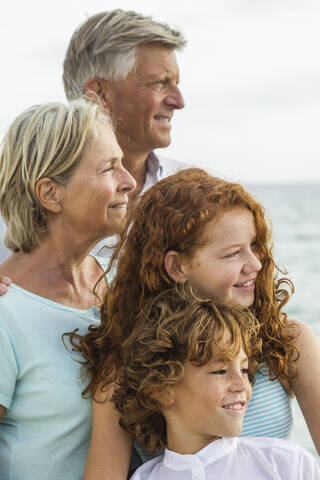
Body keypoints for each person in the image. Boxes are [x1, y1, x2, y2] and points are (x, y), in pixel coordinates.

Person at [73, 168, 320, 478]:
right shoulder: (127, 364)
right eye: (232, 253)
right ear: (178, 265)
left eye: (254, 245)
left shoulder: (288, 340)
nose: (256, 264)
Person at [0, 98, 136, 479]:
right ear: (50, 194)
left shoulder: (115, 286)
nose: (130, 181)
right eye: (109, 168)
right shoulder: (6, 311)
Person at [0, 9, 190, 264]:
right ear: (98, 94)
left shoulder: (194, 193)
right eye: (158, 83)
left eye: (176, 83)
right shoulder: (10, 213)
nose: (178, 101)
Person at [112, 288, 320, 480]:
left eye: (245, 370)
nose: (242, 385)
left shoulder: (287, 463)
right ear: (160, 389)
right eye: (220, 371)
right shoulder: (144, 477)